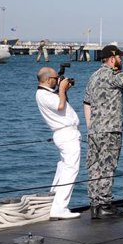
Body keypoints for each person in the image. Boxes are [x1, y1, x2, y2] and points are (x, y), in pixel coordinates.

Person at [83, 44, 123, 220]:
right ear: (112, 58)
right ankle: (105, 205)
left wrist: (91, 126)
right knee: (107, 167)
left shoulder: (93, 77)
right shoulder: (112, 75)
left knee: (94, 168)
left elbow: (87, 103)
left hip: (94, 130)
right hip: (110, 130)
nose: (121, 60)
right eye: (119, 57)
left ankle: (95, 204)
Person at [35, 66, 80, 220]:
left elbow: (61, 105)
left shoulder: (46, 94)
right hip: (66, 134)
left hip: (65, 133)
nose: (57, 81)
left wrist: (63, 90)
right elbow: (60, 106)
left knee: (63, 168)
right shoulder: (42, 94)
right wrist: (61, 88)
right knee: (70, 169)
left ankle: (53, 202)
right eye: (55, 79)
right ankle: (59, 208)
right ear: (48, 80)